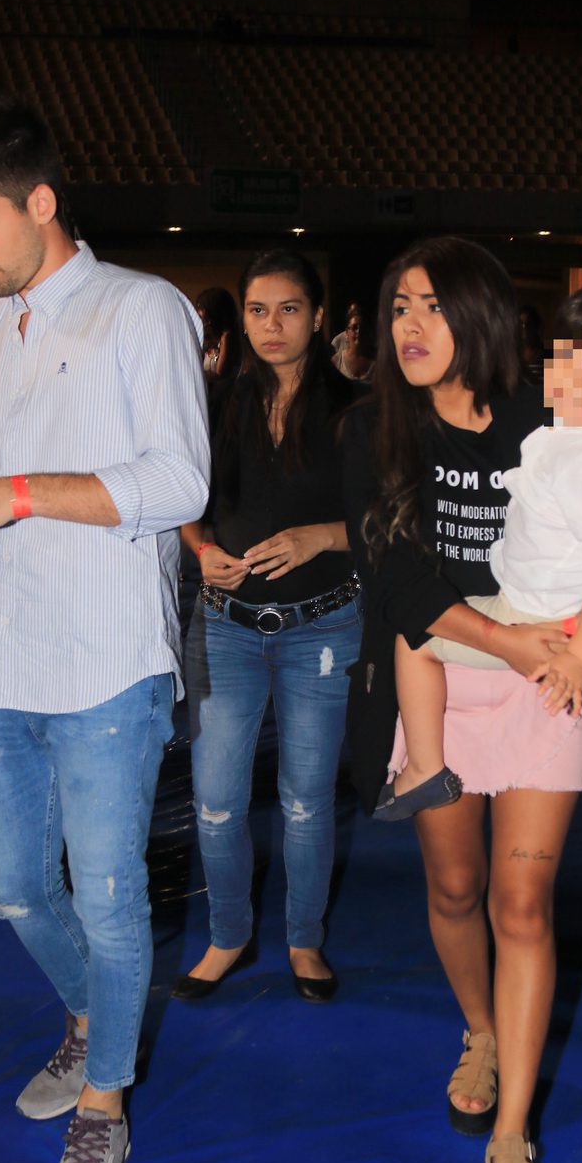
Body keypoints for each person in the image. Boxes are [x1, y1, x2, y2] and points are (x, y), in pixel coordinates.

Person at [0, 96, 209, 1163]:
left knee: (114, 902)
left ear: (40, 202)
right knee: (19, 887)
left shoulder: (141, 309)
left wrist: (5, 493)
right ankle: (92, 1022)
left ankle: (104, 1105)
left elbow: (178, 487)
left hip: (110, 663)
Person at [342, 237, 582, 1163]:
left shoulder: (557, 415)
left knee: (519, 903)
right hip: (439, 669)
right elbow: (391, 578)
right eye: (399, 305)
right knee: (452, 889)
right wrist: (500, 637)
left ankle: (512, 1135)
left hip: (542, 684)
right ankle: (478, 1028)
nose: (409, 326)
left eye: (432, 306)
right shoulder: (371, 429)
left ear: (482, 316)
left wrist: (581, 638)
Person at [377, 283, 582, 820]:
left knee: (415, 636)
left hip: (544, 612)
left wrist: (579, 659)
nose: (566, 381)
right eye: (562, 362)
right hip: (563, 606)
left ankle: (423, 769)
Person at [174, 251, 361, 1004]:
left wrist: (323, 536)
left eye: (288, 309)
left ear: (318, 316)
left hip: (323, 625)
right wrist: (201, 548)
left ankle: (304, 938)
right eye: (257, 310)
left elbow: (389, 516)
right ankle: (228, 934)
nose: (272, 325)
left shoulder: (356, 406)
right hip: (226, 624)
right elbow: (184, 500)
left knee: (308, 798)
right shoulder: (213, 401)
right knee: (215, 797)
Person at [195, 285, 239, 380]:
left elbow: (220, 374)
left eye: (202, 308)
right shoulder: (205, 338)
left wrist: (193, 375)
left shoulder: (227, 337)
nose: (198, 313)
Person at [331, 309, 374, 381]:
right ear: (347, 332)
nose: (359, 332)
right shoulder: (337, 361)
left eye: (362, 327)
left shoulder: (375, 364)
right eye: (355, 327)